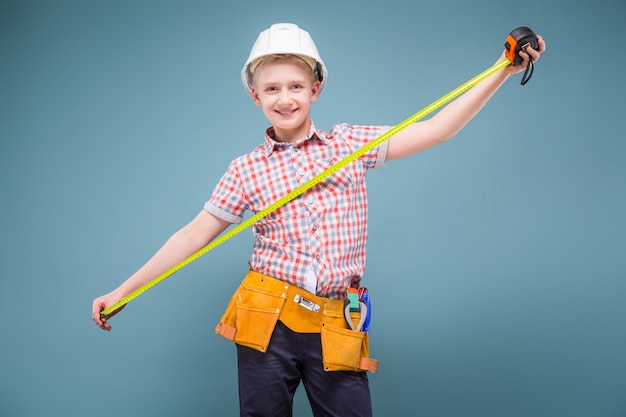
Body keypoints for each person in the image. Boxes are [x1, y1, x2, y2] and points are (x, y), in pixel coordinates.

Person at [92, 22, 545, 417]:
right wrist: (123, 291)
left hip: (337, 318)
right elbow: (193, 235)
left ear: (316, 89)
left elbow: (438, 129)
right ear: (255, 96)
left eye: (295, 86)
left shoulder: (349, 144)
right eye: (271, 88)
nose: (284, 98)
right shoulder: (245, 169)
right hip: (265, 319)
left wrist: (503, 68)